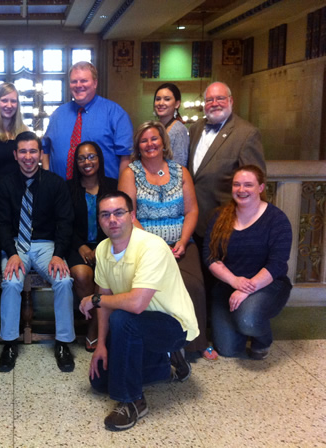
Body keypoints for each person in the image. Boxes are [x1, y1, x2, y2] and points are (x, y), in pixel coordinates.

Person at [79, 191, 198, 432]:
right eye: (105, 215)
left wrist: (95, 298)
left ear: (132, 216)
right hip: (136, 325)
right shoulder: (103, 249)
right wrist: (101, 344)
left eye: (119, 213)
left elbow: (135, 304)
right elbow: (105, 302)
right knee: (99, 382)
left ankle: (132, 401)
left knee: (124, 319)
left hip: (173, 325)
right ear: (99, 220)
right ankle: (167, 362)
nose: (112, 219)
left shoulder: (151, 246)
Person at [118, 121, 213, 359]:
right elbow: (128, 215)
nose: (150, 144)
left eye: (154, 139)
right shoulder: (131, 173)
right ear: (138, 146)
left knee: (192, 286)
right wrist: (156, 246)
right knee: (156, 290)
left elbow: (191, 211)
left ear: (163, 142)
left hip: (181, 244)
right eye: (144, 140)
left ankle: (193, 343)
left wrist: (183, 240)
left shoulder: (181, 172)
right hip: (145, 245)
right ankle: (161, 344)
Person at [0, 131, 75, 373]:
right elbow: (1, 223)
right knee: (10, 282)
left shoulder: (55, 183)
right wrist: (10, 253)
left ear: (40, 154)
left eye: (33, 151)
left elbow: (65, 222)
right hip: (14, 244)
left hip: (45, 245)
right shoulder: (5, 184)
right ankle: (9, 343)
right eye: (23, 151)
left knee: (63, 280)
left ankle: (63, 343)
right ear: (15, 155)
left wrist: (58, 254)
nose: (28, 157)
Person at [204, 165, 292, 360]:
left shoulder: (276, 219)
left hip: (267, 285)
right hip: (227, 285)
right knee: (228, 350)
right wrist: (234, 282)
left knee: (248, 319)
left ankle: (262, 339)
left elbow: (277, 263)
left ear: (261, 188)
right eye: (237, 184)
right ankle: (241, 323)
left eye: (248, 185)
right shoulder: (219, 217)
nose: (241, 190)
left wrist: (246, 289)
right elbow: (210, 257)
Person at [188, 81, 266, 241]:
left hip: (226, 224)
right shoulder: (195, 128)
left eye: (220, 98)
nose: (214, 104)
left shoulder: (246, 134)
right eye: (209, 100)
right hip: (193, 222)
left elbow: (255, 182)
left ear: (231, 101)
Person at [42, 61, 133, 180]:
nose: (78, 85)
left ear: (95, 83)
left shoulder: (115, 113)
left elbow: (125, 156)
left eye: (84, 80)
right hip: (61, 192)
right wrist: (47, 181)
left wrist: (121, 192)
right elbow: (45, 151)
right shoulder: (58, 115)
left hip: (103, 193)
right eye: (74, 81)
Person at [66, 141, 117, 352]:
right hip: (76, 245)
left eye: (91, 156)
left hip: (109, 244)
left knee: (110, 274)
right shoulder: (68, 188)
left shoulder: (112, 186)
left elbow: (118, 223)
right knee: (82, 274)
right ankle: (96, 324)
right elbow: (63, 223)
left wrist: (103, 246)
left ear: (99, 159)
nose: (87, 162)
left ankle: (96, 328)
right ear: (76, 163)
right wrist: (81, 247)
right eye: (81, 158)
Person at [153, 83, 189, 167]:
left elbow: (179, 166)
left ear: (177, 104)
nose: (161, 103)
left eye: (167, 99)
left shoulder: (178, 130)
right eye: (158, 99)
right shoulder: (156, 127)